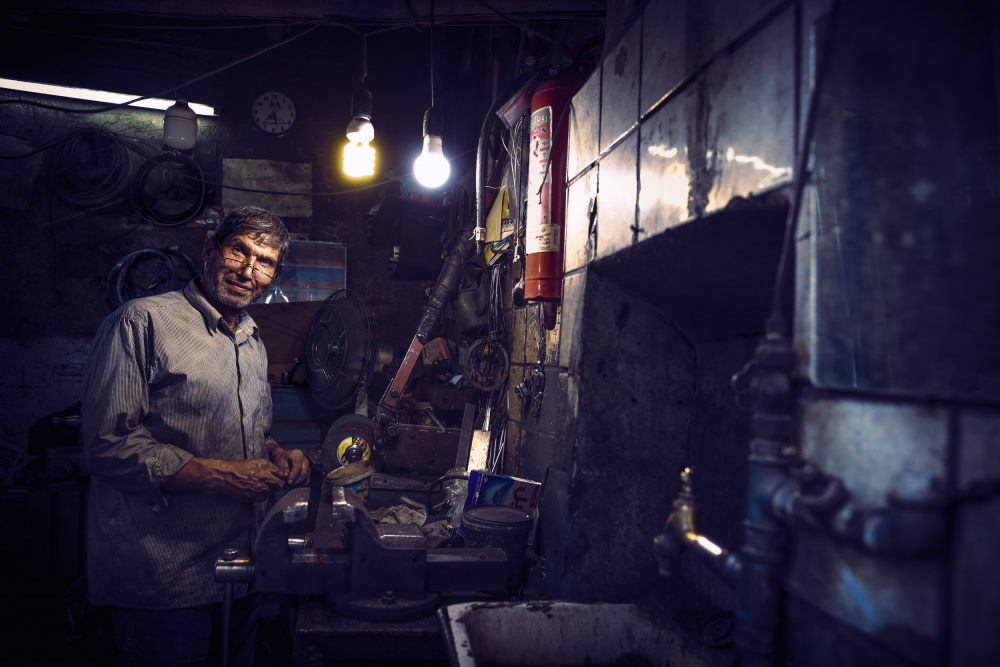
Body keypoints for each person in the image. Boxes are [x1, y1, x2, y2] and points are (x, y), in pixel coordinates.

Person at [82, 205, 311, 667]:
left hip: (240, 570)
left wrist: (275, 454)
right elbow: (108, 444)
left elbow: (244, 431)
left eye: (264, 262)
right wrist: (220, 476)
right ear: (210, 250)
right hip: (166, 577)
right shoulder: (141, 322)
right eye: (238, 252)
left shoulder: (250, 337)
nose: (248, 271)